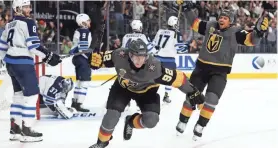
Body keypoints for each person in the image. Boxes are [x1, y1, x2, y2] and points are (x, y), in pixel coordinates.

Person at [175, 0, 269, 141]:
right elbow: (195, 23)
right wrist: (187, 8)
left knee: (212, 100)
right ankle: (183, 121)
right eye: (220, 17)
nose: (221, 19)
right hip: (201, 68)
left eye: (225, 18)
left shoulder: (236, 32)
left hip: (220, 72)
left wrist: (259, 32)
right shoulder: (210, 26)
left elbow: (252, 40)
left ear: (231, 21)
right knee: (191, 98)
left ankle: (200, 125)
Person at [88, 39, 205, 148]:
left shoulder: (155, 68)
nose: (139, 60)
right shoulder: (119, 55)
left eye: (142, 57)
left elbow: (178, 78)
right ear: (129, 55)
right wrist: (93, 60)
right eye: (136, 57)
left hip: (147, 92)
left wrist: (193, 91)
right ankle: (101, 142)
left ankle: (130, 121)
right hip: (122, 88)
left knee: (151, 121)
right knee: (111, 117)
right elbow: (100, 58)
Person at [0, 0, 61, 142]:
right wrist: (49, 56)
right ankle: (26, 130)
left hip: (11, 64)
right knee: (32, 96)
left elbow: (1, 48)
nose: (29, 9)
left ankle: (15, 129)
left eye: (29, 6)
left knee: (18, 96)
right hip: (23, 65)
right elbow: (33, 46)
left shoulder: (9, 25)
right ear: (18, 8)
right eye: (25, 6)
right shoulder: (28, 23)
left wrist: (9, 60)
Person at [152, 16, 185, 103]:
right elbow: (181, 49)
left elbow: (154, 44)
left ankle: (149, 95)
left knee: (153, 78)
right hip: (169, 60)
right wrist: (187, 46)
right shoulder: (177, 34)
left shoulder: (160, 31)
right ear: (175, 24)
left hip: (156, 58)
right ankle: (166, 96)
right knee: (170, 78)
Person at [69, 13, 92, 112]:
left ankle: (75, 102)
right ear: (83, 22)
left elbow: (75, 47)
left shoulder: (78, 30)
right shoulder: (84, 31)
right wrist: (88, 58)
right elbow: (82, 48)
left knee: (79, 82)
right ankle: (79, 104)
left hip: (77, 58)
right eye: (88, 20)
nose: (89, 22)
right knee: (84, 82)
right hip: (82, 59)